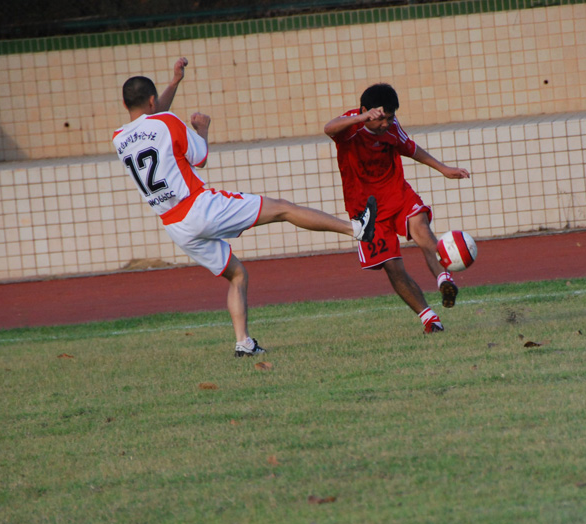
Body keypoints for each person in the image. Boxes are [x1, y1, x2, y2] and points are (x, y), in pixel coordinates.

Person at [113, 58, 377, 357]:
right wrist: (202, 129)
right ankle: (356, 229)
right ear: (152, 100)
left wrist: (174, 83)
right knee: (283, 208)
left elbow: (151, 118)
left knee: (237, 275)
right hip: (199, 207)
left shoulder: (119, 139)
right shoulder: (167, 121)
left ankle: (244, 343)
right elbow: (200, 157)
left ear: (125, 105)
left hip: (175, 226)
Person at [324, 83, 470, 334]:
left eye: (390, 118)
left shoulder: (391, 128)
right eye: (381, 119)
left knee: (421, 227)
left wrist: (444, 169)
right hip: (365, 209)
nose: (386, 124)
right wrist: (360, 118)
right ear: (365, 111)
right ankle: (430, 319)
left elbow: (410, 148)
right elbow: (328, 128)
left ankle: (444, 280)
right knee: (392, 265)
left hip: (395, 193)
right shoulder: (350, 126)